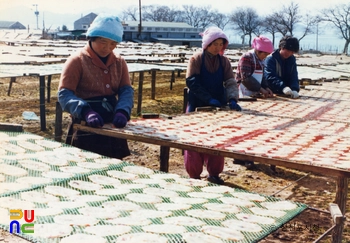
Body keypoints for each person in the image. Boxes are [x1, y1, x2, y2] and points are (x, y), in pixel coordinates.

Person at [58, 13, 134, 159]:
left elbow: (126, 91)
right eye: (103, 42)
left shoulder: (119, 62)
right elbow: (64, 94)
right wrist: (85, 111)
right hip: (85, 124)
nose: (107, 48)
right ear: (91, 38)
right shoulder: (76, 61)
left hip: (112, 124)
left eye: (113, 44)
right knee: (85, 168)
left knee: (114, 167)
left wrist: (122, 111)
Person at [184, 26, 241, 185]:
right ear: (207, 44)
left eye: (221, 44)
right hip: (198, 105)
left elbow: (230, 81)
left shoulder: (224, 62)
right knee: (194, 139)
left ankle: (214, 173)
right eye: (215, 44)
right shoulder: (196, 59)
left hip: (218, 107)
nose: (218, 47)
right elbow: (192, 82)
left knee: (217, 138)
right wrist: (208, 99)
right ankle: (194, 174)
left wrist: (232, 99)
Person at [234, 35, 274, 169]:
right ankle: (242, 157)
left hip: (254, 95)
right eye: (265, 54)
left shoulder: (260, 61)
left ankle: (248, 155)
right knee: (244, 126)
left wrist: (267, 88)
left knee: (254, 127)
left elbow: (261, 78)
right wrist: (261, 90)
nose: (266, 56)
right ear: (258, 51)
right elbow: (246, 78)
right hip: (243, 93)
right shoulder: (247, 58)